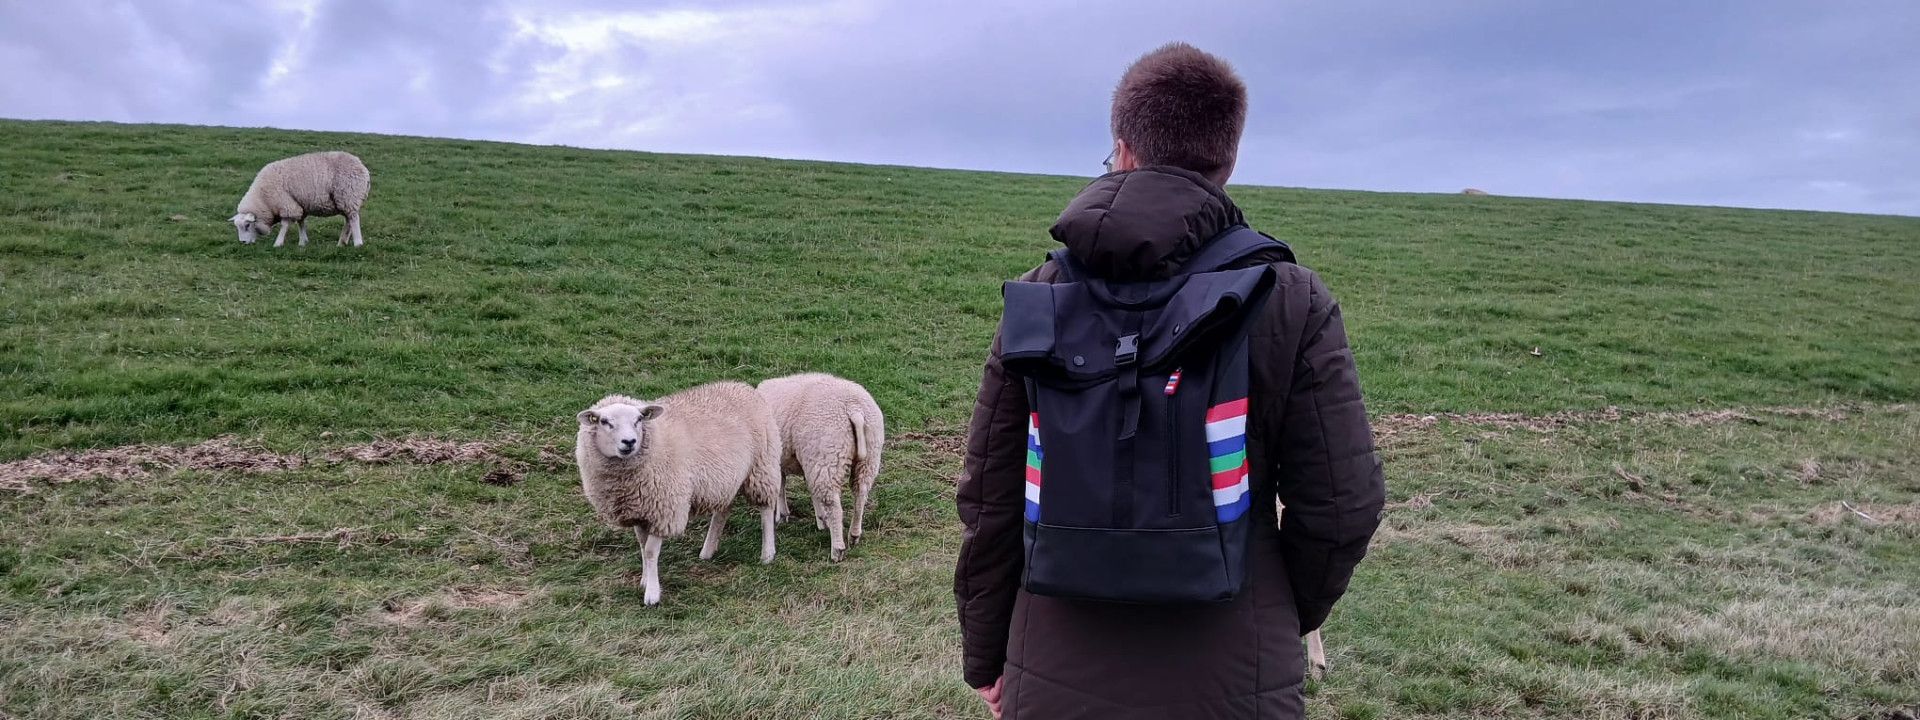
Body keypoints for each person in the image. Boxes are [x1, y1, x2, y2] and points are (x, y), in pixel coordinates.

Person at [953, 43, 1387, 719]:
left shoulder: (1040, 297)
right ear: (1230, 159)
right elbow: (1343, 505)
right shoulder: (1291, 298)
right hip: (1238, 674)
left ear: (1122, 150)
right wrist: (1280, 611)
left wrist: (986, 655)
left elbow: (990, 499)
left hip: (1051, 663)